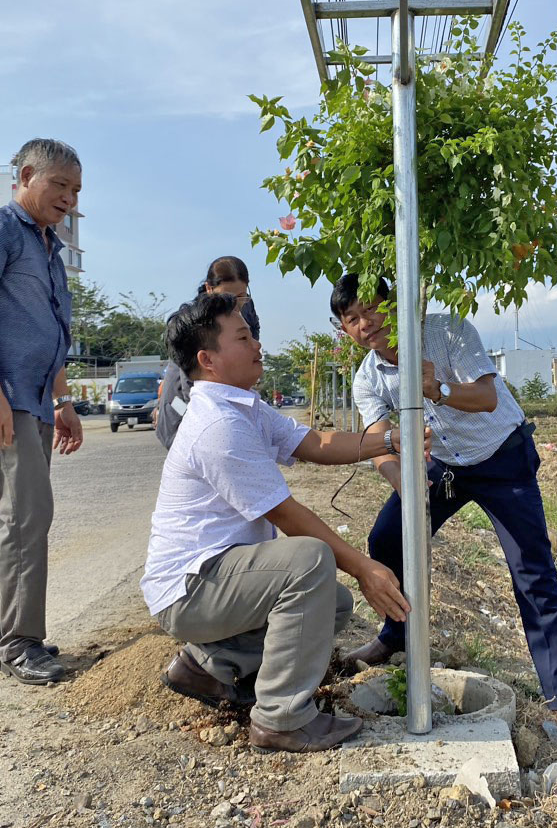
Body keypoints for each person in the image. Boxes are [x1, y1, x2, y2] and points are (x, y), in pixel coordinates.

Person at [143, 291, 421, 752]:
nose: (257, 345)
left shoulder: (242, 407)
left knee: (330, 603)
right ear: (208, 359)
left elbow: (314, 443)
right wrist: (365, 567)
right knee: (310, 561)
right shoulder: (218, 426)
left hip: (215, 577)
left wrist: (391, 438)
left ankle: (209, 666)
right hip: (190, 589)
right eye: (244, 337)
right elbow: (287, 515)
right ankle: (281, 718)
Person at [330, 273, 557, 730]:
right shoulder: (367, 377)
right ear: (344, 330)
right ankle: (396, 635)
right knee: (387, 537)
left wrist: (438, 390)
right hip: (444, 465)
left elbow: (487, 397)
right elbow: (376, 444)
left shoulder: (447, 332)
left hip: (501, 457)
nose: (365, 323)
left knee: (532, 571)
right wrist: (404, 484)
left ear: (394, 306)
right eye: (352, 319)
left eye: (371, 309)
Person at [0, 138, 85, 685]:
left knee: (9, 526)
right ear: (27, 176)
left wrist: (63, 399)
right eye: (60, 186)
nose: (69, 198)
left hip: (31, 402)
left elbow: (47, 331)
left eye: (76, 190)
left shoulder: (48, 249)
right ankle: (22, 643)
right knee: (26, 522)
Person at [154, 256, 261, 450]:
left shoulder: (247, 308)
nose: (235, 305)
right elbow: (193, 389)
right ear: (209, 289)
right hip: (182, 404)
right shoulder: (196, 322)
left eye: (241, 297)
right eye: (227, 297)